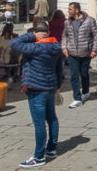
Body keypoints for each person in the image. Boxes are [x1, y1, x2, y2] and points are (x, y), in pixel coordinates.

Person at [11, 20, 63, 168]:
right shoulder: (56, 46)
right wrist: (57, 85)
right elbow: (59, 69)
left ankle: (39, 156)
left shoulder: (34, 48)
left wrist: (30, 36)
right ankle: (51, 148)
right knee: (51, 118)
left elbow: (14, 43)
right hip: (50, 87)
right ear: (48, 32)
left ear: (35, 33)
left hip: (36, 88)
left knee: (39, 123)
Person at [61, 2, 97, 109]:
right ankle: (77, 98)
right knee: (74, 76)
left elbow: (96, 36)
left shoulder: (89, 21)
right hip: (72, 53)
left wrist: (94, 50)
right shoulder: (68, 22)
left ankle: (85, 91)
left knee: (84, 74)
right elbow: (64, 36)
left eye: (70, 9)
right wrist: (64, 48)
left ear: (77, 10)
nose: (68, 11)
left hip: (85, 52)